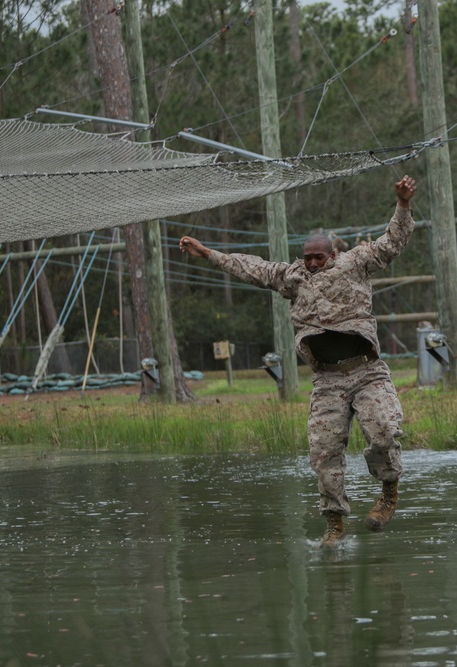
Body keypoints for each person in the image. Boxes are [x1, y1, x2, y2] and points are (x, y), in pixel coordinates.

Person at [179, 175, 418, 548]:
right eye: (307, 257)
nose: (311, 263)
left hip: (367, 372)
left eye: (317, 257)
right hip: (328, 381)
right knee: (323, 452)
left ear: (332, 255)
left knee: (385, 431)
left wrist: (402, 205)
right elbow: (251, 268)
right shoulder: (292, 277)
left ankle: (388, 490)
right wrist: (208, 253)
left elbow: (392, 243)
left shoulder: (355, 263)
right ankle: (335, 522)